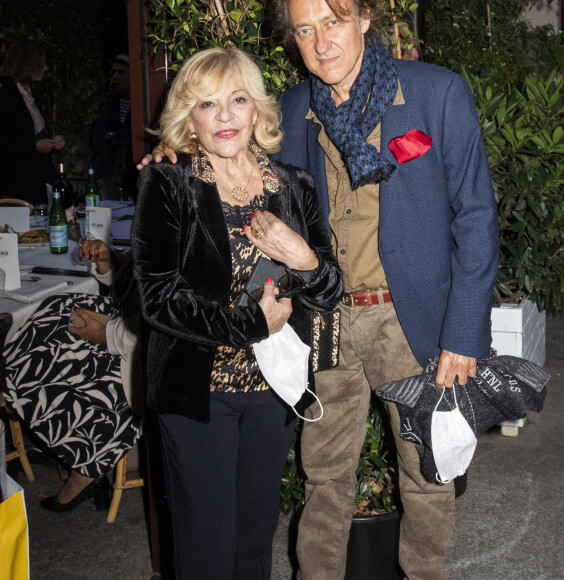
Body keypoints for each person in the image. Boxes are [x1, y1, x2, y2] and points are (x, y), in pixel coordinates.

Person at [139, 1, 499, 577]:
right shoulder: (295, 108)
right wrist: (174, 152)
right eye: (305, 30)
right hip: (323, 318)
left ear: (363, 19)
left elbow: (477, 219)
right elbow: (234, 156)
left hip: (411, 321)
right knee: (324, 476)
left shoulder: (437, 94)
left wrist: (463, 332)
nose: (321, 42)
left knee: (428, 473)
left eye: (333, 22)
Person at [132, 46, 343, 579]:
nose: (224, 115)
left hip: (270, 388)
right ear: (189, 117)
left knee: (254, 541)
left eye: (237, 99)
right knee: (206, 545)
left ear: (257, 111)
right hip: (196, 389)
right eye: (206, 104)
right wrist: (249, 324)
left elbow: (329, 288)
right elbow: (157, 298)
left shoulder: (293, 187)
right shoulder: (170, 182)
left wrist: (305, 258)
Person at [2, 239, 142, 512]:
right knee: (55, 313)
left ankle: (87, 465)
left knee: (62, 357)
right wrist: (109, 262)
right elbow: (142, 282)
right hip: (132, 325)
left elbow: (171, 322)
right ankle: (63, 442)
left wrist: (106, 334)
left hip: (155, 353)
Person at [0, 40, 65, 205]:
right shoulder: (6, 96)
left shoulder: (31, 95)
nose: (45, 68)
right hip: (15, 184)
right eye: (42, 63)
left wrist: (52, 140)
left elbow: (31, 131)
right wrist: (34, 146)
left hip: (36, 179)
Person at [91, 54, 136, 200]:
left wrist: (114, 136)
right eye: (113, 73)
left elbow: (137, 134)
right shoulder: (109, 105)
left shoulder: (141, 104)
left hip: (135, 171)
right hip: (110, 173)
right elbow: (98, 138)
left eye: (121, 72)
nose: (115, 77)